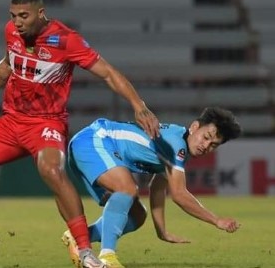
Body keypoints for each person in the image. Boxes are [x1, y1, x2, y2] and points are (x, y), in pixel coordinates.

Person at [0, 0, 160, 268]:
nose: (17, 22)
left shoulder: (66, 40)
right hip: (10, 123)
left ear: (40, 13)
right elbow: (8, 64)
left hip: (46, 124)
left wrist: (138, 105)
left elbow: (109, 73)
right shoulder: (11, 32)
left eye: (23, 16)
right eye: (13, 15)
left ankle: (84, 251)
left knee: (51, 171)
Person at [61, 107, 242, 268]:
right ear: (194, 127)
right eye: (206, 137)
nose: (205, 145)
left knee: (137, 215)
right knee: (127, 189)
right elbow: (179, 194)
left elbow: (157, 187)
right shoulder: (176, 146)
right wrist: (216, 220)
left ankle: (78, 237)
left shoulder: (178, 145)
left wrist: (161, 231)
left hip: (93, 145)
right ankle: (107, 257)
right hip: (95, 140)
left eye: (213, 145)